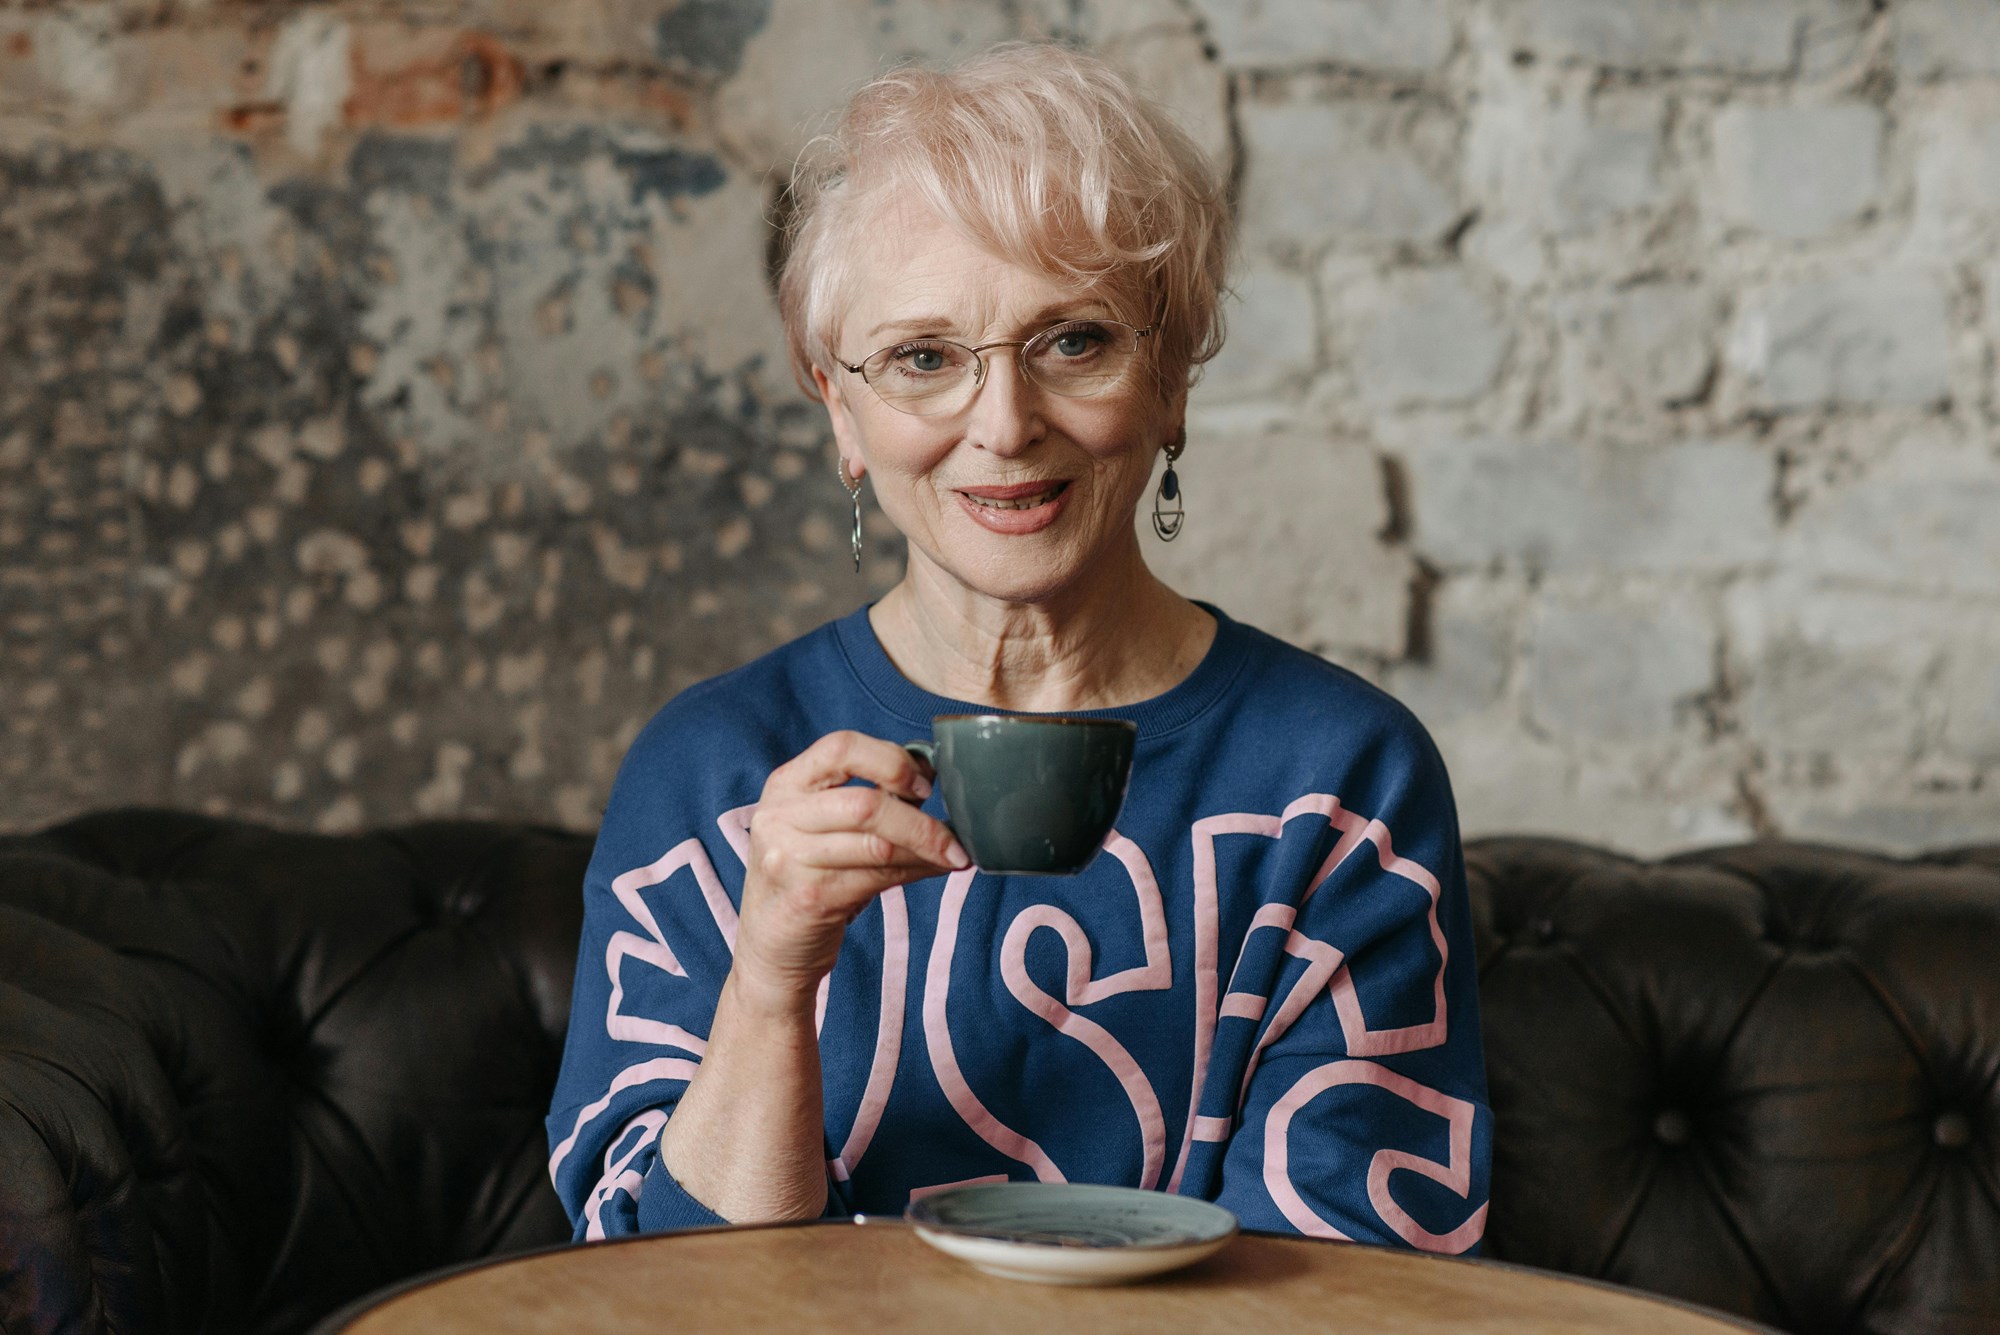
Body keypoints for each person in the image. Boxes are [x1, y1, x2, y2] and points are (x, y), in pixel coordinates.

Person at [545, 42, 1490, 1252]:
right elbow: (657, 1297)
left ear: (1172, 378)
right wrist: (771, 984)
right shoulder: (711, 773)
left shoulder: (1341, 778)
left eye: (1075, 341)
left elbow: (1357, 1287)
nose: (1002, 425)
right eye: (923, 360)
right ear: (840, 407)